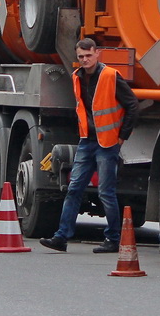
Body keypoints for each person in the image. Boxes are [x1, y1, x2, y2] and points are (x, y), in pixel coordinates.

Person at [40, 38, 138, 253]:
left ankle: (113, 239)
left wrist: (122, 137)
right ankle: (61, 237)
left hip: (107, 143)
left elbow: (132, 105)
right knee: (74, 189)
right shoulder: (77, 77)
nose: (85, 60)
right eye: (81, 57)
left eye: (88, 55)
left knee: (106, 192)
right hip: (87, 141)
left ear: (97, 54)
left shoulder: (111, 76)